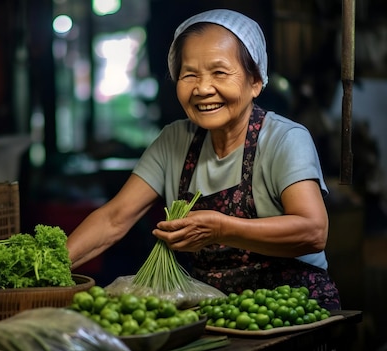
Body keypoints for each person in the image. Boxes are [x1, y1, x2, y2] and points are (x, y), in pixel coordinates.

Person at [66, 9, 341, 310]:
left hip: (291, 307)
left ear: (255, 82)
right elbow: (113, 218)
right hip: (215, 312)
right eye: (189, 74)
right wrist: (48, 269)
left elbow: (313, 231)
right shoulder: (174, 141)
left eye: (219, 72)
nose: (202, 88)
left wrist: (221, 229)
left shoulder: (284, 139)